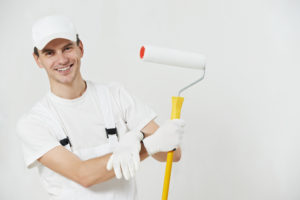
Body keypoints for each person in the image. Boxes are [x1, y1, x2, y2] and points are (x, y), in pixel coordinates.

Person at [17, 15, 185, 200]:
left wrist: (137, 136)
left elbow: (173, 154)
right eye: (50, 53)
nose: (62, 60)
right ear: (37, 59)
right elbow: (83, 175)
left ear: (80, 48)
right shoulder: (34, 123)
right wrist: (148, 145)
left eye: (67, 48)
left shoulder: (116, 96)